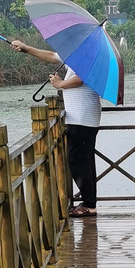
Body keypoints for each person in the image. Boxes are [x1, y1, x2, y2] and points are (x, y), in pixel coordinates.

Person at [10, 40, 100, 217]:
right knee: (84, 161)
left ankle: (89, 205)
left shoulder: (89, 55)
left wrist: (60, 84)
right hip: (80, 117)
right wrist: (26, 48)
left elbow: (82, 79)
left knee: (78, 161)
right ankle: (89, 202)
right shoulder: (76, 54)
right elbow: (51, 56)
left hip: (83, 117)